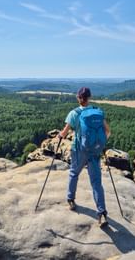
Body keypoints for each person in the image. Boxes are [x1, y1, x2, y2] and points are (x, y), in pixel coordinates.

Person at [58, 87, 111, 225]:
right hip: (95, 151)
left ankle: (71, 200)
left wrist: (59, 135)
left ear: (78, 98)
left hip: (79, 150)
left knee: (74, 173)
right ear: (90, 97)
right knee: (96, 182)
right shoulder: (97, 112)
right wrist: (99, 144)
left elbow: (64, 133)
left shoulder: (74, 113)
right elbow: (108, 131)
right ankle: (102, 212)